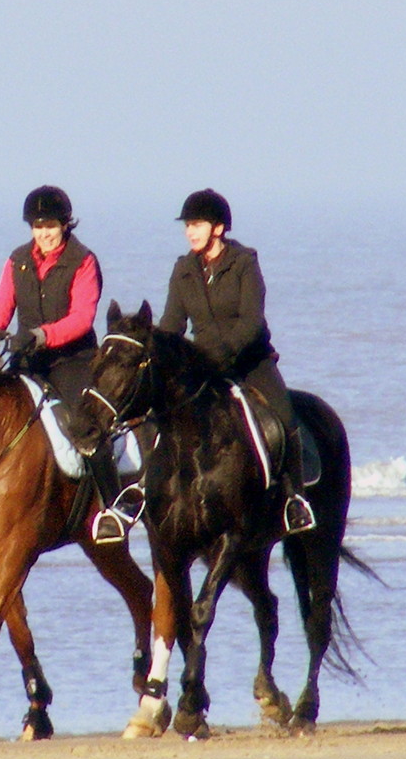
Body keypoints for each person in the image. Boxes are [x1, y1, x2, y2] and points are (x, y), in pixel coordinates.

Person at [94, 188, 315, 543]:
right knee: (159, 414)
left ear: (218, 228)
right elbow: (172, 325)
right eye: (188, 226)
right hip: (202, 365)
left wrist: (222, 356)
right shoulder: (183, 270)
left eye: (197, 225)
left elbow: (252, 322)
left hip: (249, 360)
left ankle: (294, 498)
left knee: (283, 415)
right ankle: (140, 490)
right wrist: (159, 356)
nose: (190, 232)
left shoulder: (244, 262)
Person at [0, 185, 139, 532]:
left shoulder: (83, 261)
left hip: (72, 360)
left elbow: (82, 319)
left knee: (85, 426)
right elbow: (1, 303)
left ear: (65, 224)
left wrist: (42, 335)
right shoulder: (18, 259)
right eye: (37, 227)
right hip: (28, 360)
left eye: (50, 226)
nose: (44, 234)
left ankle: (115, 507)